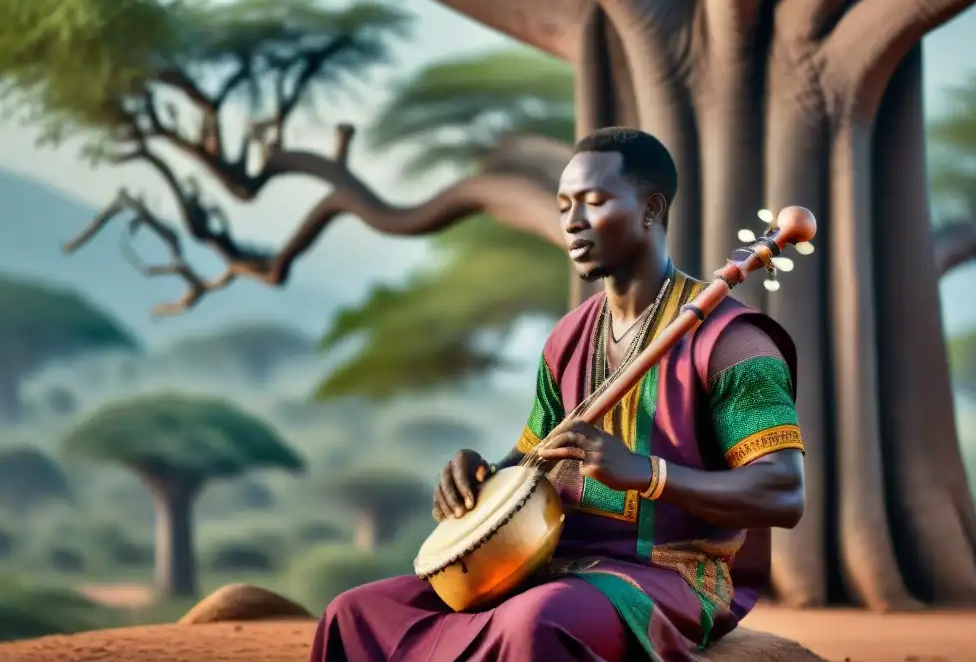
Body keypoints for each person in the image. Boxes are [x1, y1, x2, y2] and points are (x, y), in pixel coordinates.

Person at [310, 127, 806, 662]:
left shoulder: (734, 344)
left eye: (595, 202)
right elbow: (533, 458)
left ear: (650, 208)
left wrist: (646, 473)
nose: (572, 222)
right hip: (541, 561)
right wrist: (479, 477)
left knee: (536, 622)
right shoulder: (569, 337)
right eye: (564, 204)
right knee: (354, 612)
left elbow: (782, 492)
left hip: (666, 578)